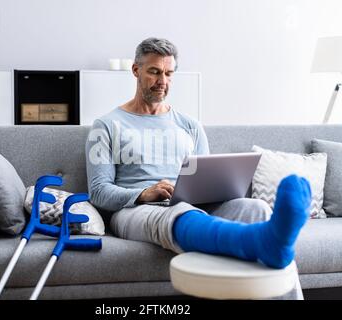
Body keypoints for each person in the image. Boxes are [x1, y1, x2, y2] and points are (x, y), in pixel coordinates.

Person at [85, 37, 311, 269]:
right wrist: (143, 194)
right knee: (181, 212)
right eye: (154, 72)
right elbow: (99, 192)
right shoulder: (106, 126)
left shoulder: (190, 126)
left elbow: (207, 180)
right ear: (136, 70)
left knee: (256, 208)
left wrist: (221, 189)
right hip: (136, 211)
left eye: (169, 73)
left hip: (193, 206)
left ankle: (273, 249)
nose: (162, 81)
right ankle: (263, 243)